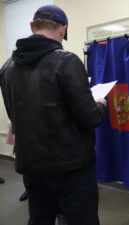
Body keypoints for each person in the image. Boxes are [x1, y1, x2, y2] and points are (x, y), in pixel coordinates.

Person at [0, 5, 106, 225]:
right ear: (63, 30)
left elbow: (15, 116)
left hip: (32, 165)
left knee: (40, 218)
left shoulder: (7, 67)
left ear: (32, 26)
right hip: (71, 167)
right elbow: (91, 118)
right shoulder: (66, 61)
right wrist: (100, 104)